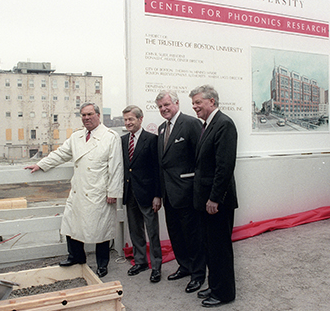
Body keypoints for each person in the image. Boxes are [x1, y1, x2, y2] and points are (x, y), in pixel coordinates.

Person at [25, 102, 123, 278]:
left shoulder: (111, 137)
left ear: (98, 115)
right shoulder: (77, 137)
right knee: (71, 225)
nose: (86, 118)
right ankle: (76, 256)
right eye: (83, 115)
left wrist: (113, 192)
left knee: (101, 230)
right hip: (79, 190)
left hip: (98, 191)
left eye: (90, 114)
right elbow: (61, 154)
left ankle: (102, 264)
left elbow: (116, 167)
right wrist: (40, 164)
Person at [190, 85, 238, 307]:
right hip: (206, 200)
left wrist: (215, 198)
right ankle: (215, 285)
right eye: (193, 103)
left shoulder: (224, 124)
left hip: (217, 201)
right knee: (210, 247)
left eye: (198, 102)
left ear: (212, 101)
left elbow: (224, 167)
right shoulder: (208, 124)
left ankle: (224, 293)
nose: (195, 106)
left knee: (220, 248)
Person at [155, 90, 206, 293]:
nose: (164, 109)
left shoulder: (191, 123)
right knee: (176, 234)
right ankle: (184, 266)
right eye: (160, 107)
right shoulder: (161, 129)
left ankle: (198, 274)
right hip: (169, 194)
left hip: (187, 192)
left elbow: (200, 159)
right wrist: (159, 193)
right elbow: (162, 165)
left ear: (176, 103)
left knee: (193, 236)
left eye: (166, 105)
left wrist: (198, 190)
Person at [121, 105, 163, 283]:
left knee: (152, 231)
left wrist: (157, 195)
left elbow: (157, 169)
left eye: (131, 119)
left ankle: (156, 266)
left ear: (140, 119)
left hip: (148, 194)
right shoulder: (123, 140)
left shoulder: (152, 139)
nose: (128, 123)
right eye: (125, 120)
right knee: (135, 230)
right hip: (130, 192)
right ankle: (140, 262)